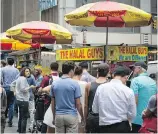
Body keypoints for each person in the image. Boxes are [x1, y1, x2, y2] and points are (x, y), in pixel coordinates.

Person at [92, 66, 136, 133]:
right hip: (122, 127)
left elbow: (95, 110)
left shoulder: (101, 88)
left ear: (113, 75)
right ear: (126, 77)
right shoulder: (128, 91)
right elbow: (132, 114)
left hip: (104, 127)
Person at [51, 62, 84, 133]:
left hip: (59, 116)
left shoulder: (54, 84)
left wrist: (54, 117)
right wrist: (82, 117)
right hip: (71, 116)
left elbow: (53, 103)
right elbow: (78, 104)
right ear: (71, 71)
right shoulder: (75, 84)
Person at [130, 61, 157, 133]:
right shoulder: (153, 81)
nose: (133, 70)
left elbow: (134, 101)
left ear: (139, 68)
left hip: (137, 120)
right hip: (150, 120)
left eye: (134, 68)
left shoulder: (135, 81)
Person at [85, 63, 109, 133]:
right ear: (108, 72)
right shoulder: (110, 85)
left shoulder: (89, 85)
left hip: (92, 117)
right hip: (106, 117)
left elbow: (86, 105)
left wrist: (85, 118)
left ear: (97, 72)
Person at [40, 62, 60, 133]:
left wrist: (50, 94)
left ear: (50, 68)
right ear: (58, 68)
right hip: (58, 103)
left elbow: (41, 90)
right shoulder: (60, 78)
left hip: (47, 101)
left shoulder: (46, 78)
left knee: (46, 121)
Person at [15, 67, 35, 133]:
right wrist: (30, 87)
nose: (28, 72)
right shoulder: (23, 79)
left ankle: (20, 130)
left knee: (21, 116)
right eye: (26, 71)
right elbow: (23, 89)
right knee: (24, 118)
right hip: (23, 100)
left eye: (29, 71)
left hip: (19, 99)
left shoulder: (19, 78)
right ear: (23, 72)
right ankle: (23, 132)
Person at [1, 58, 19, 127]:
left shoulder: (2, 69)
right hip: (13, 88)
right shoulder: (16, 70)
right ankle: (10, 121)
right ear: (13, 62)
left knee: (3, 104)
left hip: (5, 88)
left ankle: (3, 119)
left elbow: (0, 79)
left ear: (7, 62)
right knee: (11, 104)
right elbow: (17, 80)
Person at [73, 66, 88, 133]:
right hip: (82, 113)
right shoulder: (85, 84)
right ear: (81, 74)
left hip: (71, 113)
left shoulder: (69, 83)